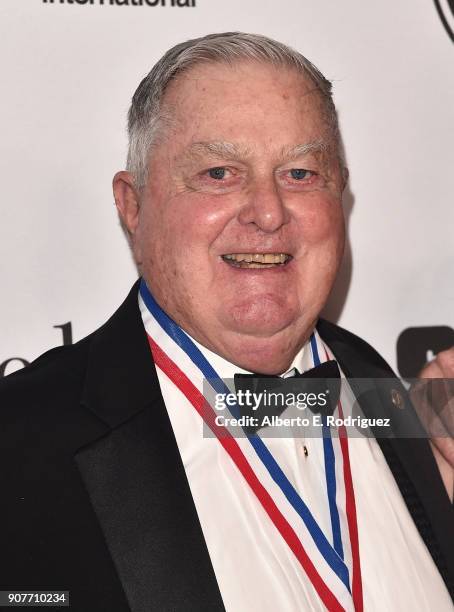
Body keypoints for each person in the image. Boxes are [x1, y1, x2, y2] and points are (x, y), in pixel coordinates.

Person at [0, 32, 452, 612]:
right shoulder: (20, 449)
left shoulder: (386, 395)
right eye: (218, 172)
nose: (268, 212)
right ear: (132, 205)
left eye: (300, 173)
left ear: (341, 197)